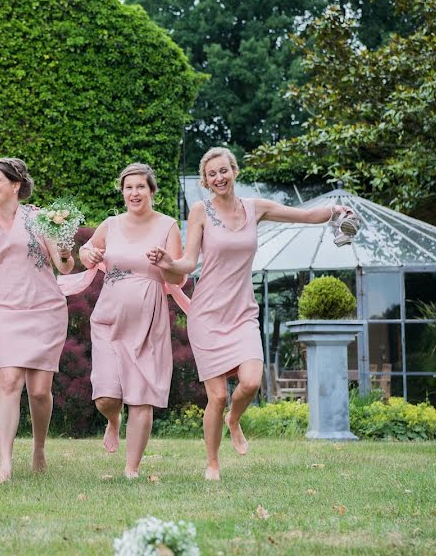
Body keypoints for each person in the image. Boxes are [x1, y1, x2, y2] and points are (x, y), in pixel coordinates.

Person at [149, 147, 353, 481]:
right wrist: (168, 263)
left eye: (223, 171)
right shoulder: (200, 211)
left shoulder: (254, 208)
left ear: (234, 171)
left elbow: (301, 216)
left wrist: (334, 211)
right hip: (207, 315)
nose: (219, 178)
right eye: (212, 174)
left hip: (242, 312)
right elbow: (188, 262)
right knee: (216, 396)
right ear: (205, 180)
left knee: (251, 382)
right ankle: (212, 462)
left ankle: (234, 420)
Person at [0, 158, 73, 483]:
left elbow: (64, 266)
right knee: (8, 382)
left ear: (15, 185)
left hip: (45, 309)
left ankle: (38, 449)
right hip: (5, 311)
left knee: (39, 391)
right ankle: (5, 463)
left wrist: (64, 251)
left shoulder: (40, 219)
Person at [76, 163, 185, 479]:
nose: (134, 192)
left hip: (147, 322)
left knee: (140, 397)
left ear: (151, 190)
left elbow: (177, 277)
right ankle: (112, 420)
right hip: (109, 317)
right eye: (128, 187)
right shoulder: (111, 224)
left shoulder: (168, 226)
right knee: (106, 396)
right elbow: (87, 251)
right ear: (122, 192)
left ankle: (131, 468)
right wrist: (90, 255)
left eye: (140, 186)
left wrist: (165, 264)